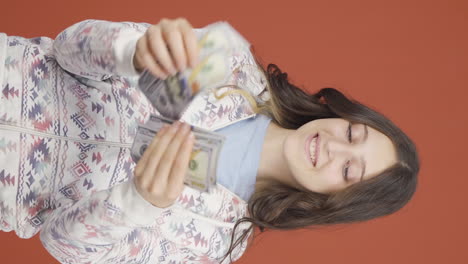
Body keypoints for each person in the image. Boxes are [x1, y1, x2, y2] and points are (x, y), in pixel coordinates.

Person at [0, 18, 420, 263]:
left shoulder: (213, 243)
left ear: (336, 202)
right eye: (351, 133)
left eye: (349, 170)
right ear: (340, 115)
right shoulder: (229, 63)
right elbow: (67, 49)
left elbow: (60, 241)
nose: (334, 148)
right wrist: (130, 51)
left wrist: (135, 203)